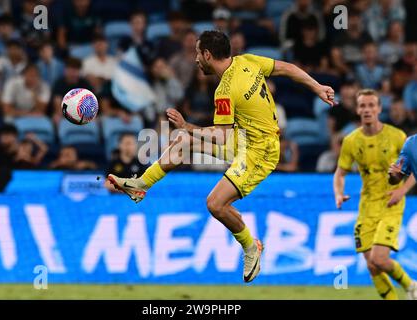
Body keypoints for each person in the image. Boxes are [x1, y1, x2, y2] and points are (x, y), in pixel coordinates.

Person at [108, 30, 335, 283]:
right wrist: (317, 86)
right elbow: (287, 68)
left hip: (260, 151)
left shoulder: (225, 90)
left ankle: (251, 247)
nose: (195, 59)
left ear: (207, 54)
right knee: (182, 143)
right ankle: (141, 185)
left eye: (197, 53)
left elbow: (221, 136)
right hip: (245, 139)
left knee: (215, 204)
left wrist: (186, 125)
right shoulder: (247, 60)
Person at [333, 89, 417, 300]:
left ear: (379, 108)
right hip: (367, 205)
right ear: (357, 109)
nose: (367, 109)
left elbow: (415, 168)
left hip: (391, 203)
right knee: (372, 266)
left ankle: (411, 286)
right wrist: (338, 193)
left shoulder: (398, 137)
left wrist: (401, 189)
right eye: (363, 105)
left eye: (371, 105)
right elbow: (340, 173)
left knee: (379, 259)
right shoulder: (351, 141)